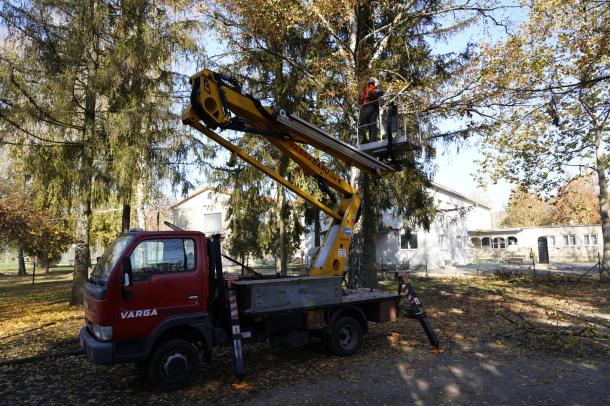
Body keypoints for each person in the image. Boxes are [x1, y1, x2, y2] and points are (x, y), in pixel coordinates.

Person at [359, 77, 384, 143]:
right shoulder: (372, 89)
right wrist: (382, 92)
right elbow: (377, 93)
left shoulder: (365, 91)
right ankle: (372, 141)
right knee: (372, 125)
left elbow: (361, 100)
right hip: (371, 109)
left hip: (364, 110)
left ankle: (361, 139)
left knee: (366, 126)